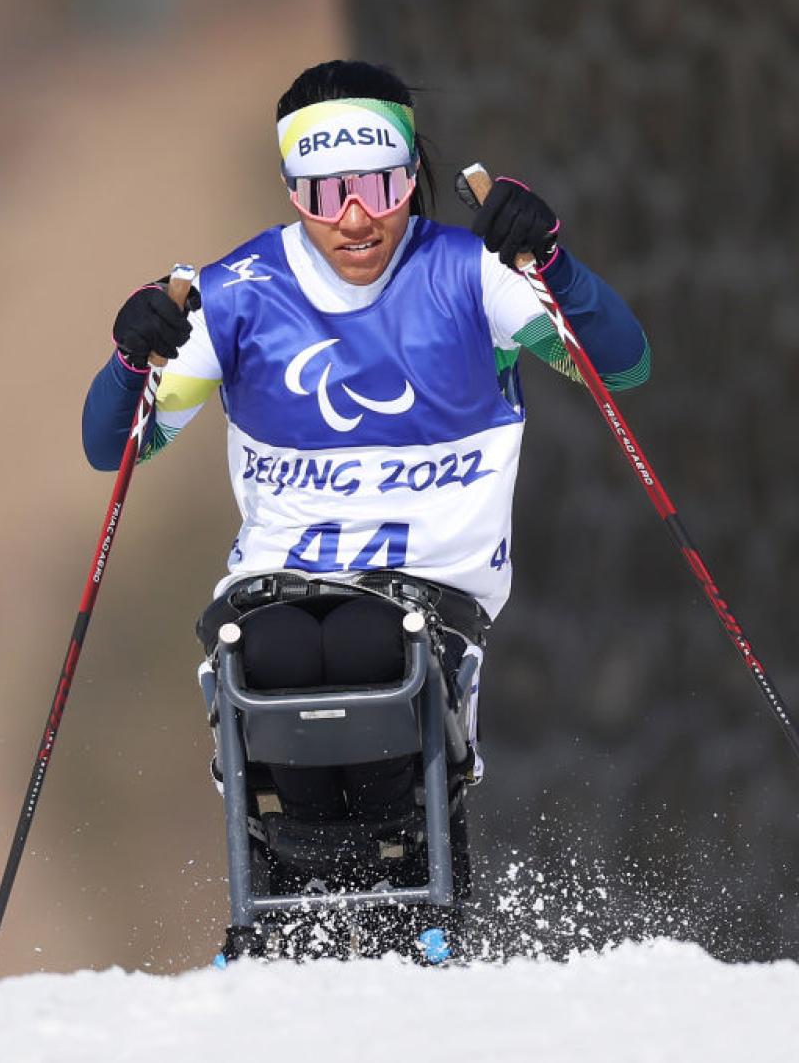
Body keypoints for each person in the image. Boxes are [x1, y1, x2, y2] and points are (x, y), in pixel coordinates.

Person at [82, 59, 650, 838]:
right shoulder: (239, 293)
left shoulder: (470, 273)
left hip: (426, 592)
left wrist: (552, 263)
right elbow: (109, 447)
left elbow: (621, 364)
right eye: (323, 193)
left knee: (364, 641)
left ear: (413, 176)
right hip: (279, 588)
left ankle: (395, 856)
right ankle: (304, 871)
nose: (354, 219)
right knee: (275, 649)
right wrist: (129, 361)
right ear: (291, 191)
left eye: (379, 187)